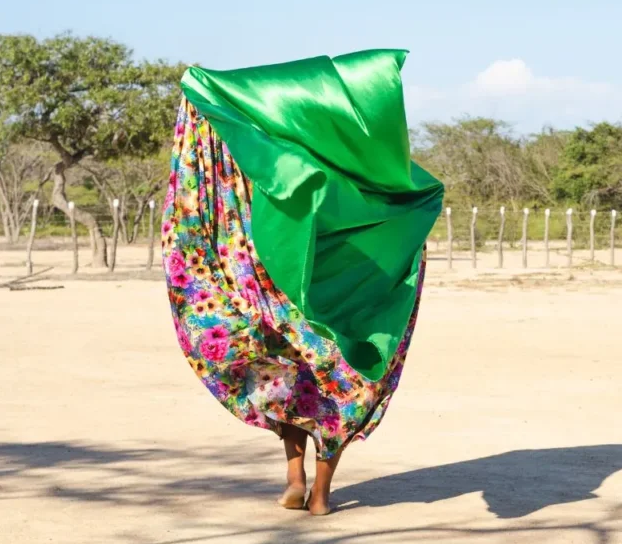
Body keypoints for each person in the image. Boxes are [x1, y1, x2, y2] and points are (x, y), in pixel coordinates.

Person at [161, 50, 444, 516]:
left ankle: (295, 478)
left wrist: (206, 88)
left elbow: (271, 93)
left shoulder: (275, 162)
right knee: (339, 379)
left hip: (279, 284)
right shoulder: (355, 174)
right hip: (350, 287)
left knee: (285, 375)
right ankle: (319, 492)